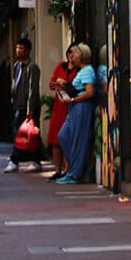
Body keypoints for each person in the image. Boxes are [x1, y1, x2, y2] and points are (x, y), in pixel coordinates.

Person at [57, 42, 96, 184]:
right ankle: (77, 168)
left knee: (78, 139)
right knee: (64, 136)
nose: (71, 56)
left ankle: (76, 173)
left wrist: (73, 100)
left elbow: (90, 92)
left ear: (82, 55)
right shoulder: (82, 71)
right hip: (75, 106)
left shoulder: (87, 71)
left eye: (75, 53)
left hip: (80, 106)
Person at [3, 37, 42, 173]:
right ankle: (26, 160)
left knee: (31, 133)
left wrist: (30, 108)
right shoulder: (17, 65)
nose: (18, 51)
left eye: (21, 48)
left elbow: (33, 89)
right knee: (22, 134)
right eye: (17, 48)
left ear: (28, 51)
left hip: (29, 107)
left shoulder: (32, 67)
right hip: (19, 106)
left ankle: (19, 161)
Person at [46, 45, 77, 180]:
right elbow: (51, 84)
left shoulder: (79, 69)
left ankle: (67, 169)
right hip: (59, 106)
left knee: (68, 138)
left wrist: (65, 84)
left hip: (71, 105)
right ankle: (57, 170)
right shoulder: (61, 66)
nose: (71, 54)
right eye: (69, 51)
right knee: (55, 138)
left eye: (74, 52)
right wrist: (57, 81)